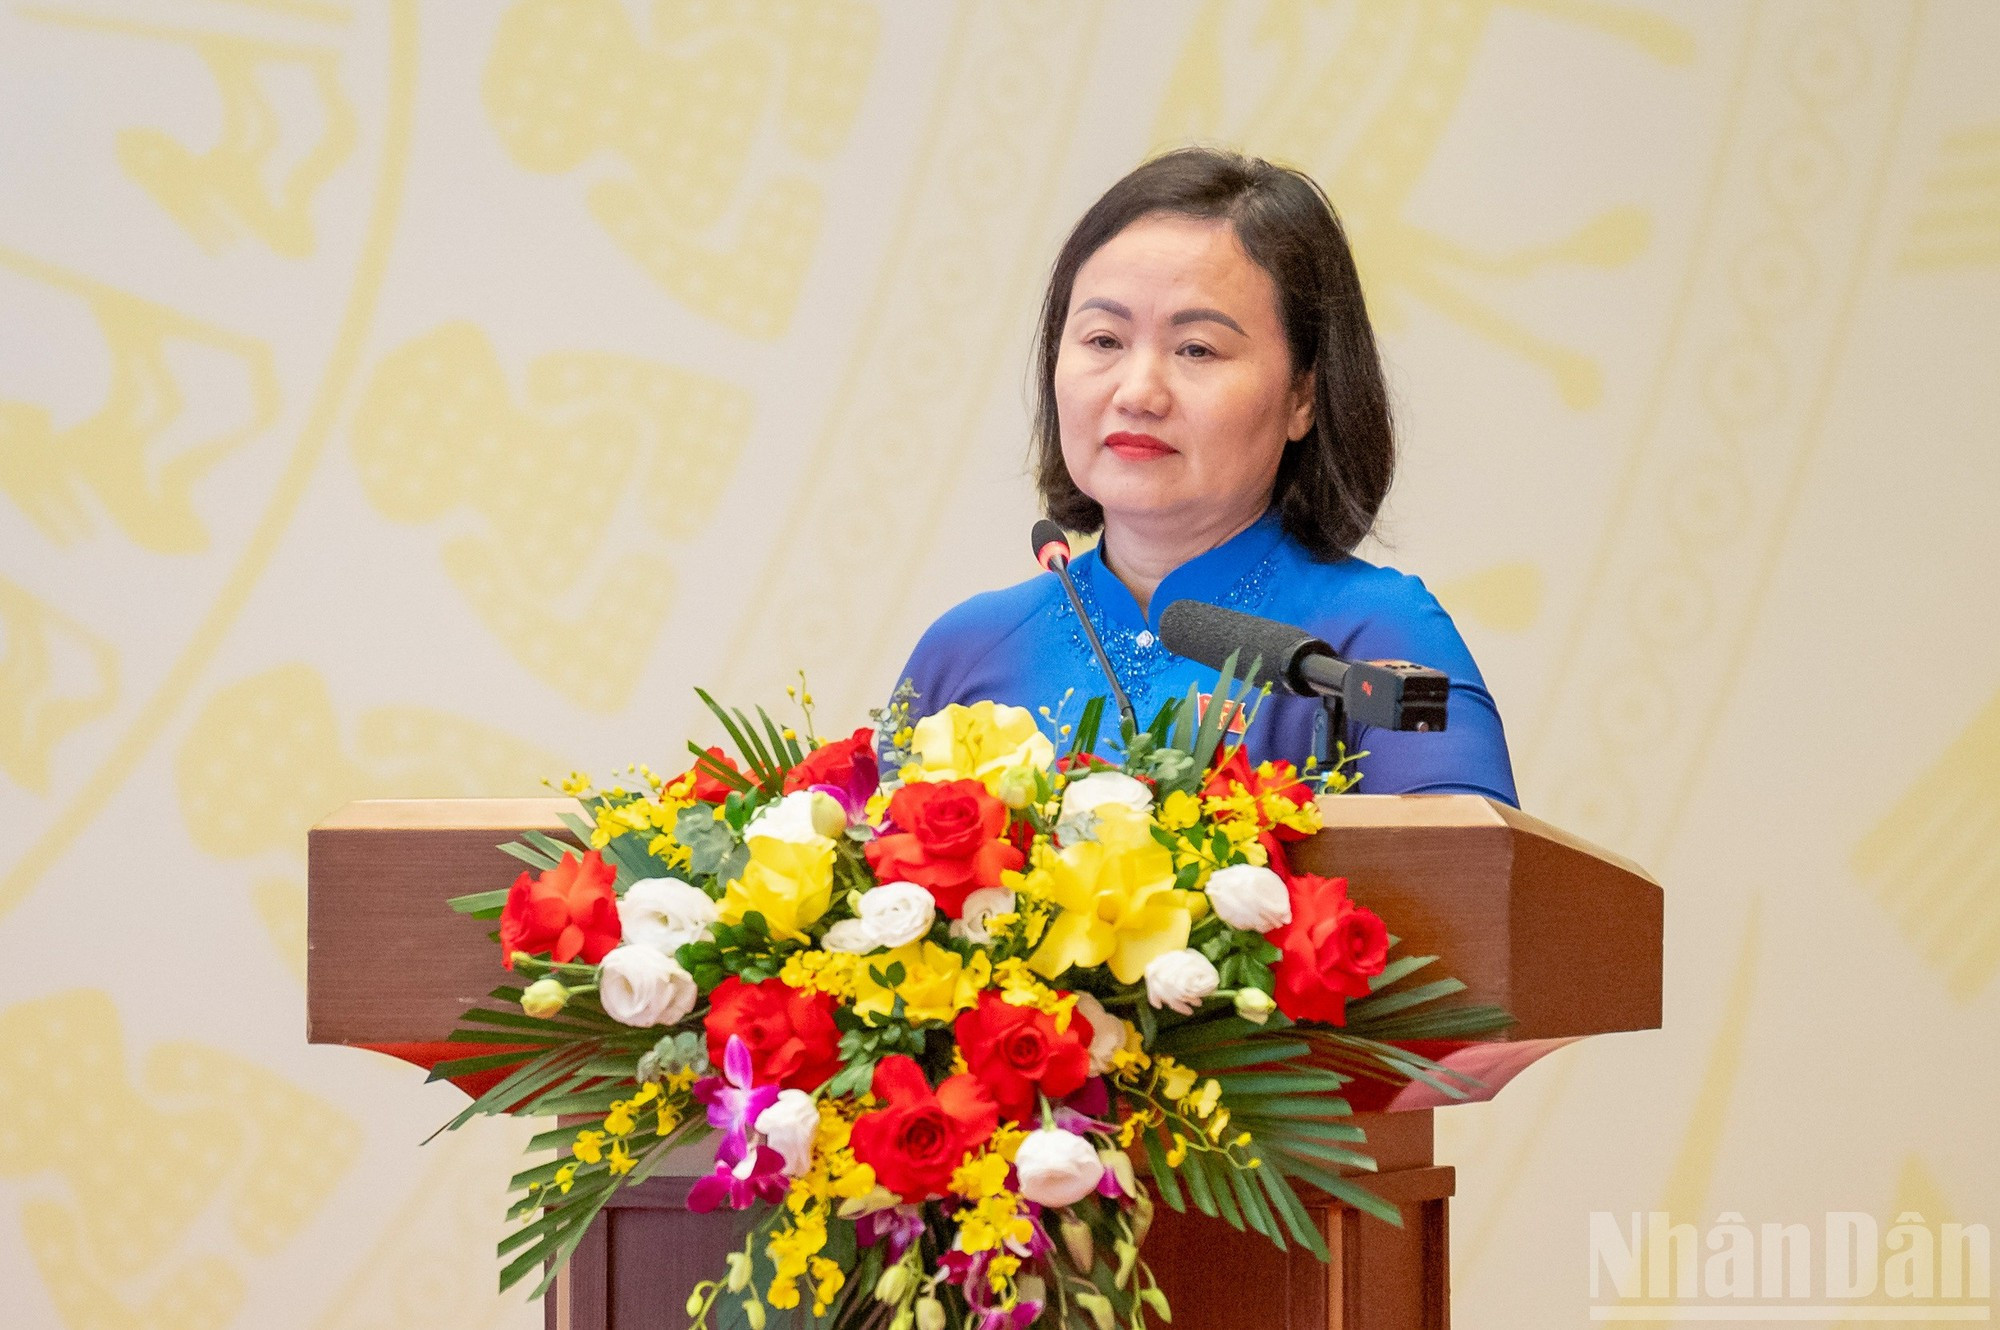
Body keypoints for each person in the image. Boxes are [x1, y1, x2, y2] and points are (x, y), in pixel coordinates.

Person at [891, 148, 1517, 805]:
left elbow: (1476, 898)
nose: (1138, 393)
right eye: (1103, 340)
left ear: (1304, 395)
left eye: (1197, 349)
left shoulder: (1370, 643)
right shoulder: (964, 651)